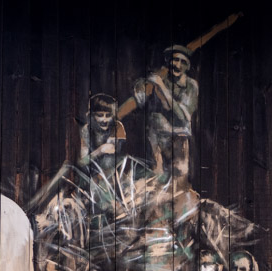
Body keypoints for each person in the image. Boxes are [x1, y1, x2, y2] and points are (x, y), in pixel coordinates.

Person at [132, 45, 198, 185]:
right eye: (175, 60)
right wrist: (141, 87)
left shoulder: (191, 86)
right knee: (157, 177)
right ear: (168, 61)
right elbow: (141, 101)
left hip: (179, 137)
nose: (178, 65)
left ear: (188, 66)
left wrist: (162, 88)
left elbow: (183, 117)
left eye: (183, 62)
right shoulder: (160, 79)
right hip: (157, 136)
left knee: (179, 178)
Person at [79, 94, 126, 177]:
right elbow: (83, 161)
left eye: (108, 115)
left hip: (114, 173)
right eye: (100, 115)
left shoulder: (117, 126)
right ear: (92, 115)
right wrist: (100, 151)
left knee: (108, 160)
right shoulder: (86, 130)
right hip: (92, 173)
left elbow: (114, 152)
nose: (104, 120)